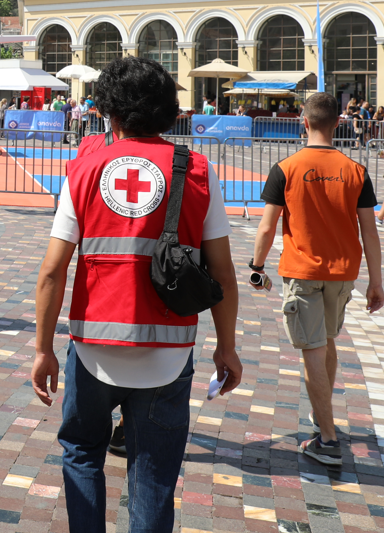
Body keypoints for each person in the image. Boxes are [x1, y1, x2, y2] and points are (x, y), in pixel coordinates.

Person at [31, 56, 241, 533]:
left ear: (110, 112)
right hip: (167, 353)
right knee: (154, 473)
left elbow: (51, 272)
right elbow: (223, 275)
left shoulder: (85, 169)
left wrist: (43, 349)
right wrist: (226, 347)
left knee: (82, 453)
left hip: (93, 348)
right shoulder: (197, 171)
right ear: (169, 110)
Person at [250, 91, 383, 467]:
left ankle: (327, 439)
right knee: (325, 341)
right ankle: (321, 413)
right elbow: (370, 232)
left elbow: (266, 226)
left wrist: (256, 268)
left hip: (303, 272)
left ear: (303, 122)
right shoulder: (356, 170)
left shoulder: (287, 168)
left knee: (312, 351)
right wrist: (376, 281)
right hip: (343, 274)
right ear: (338, 124)